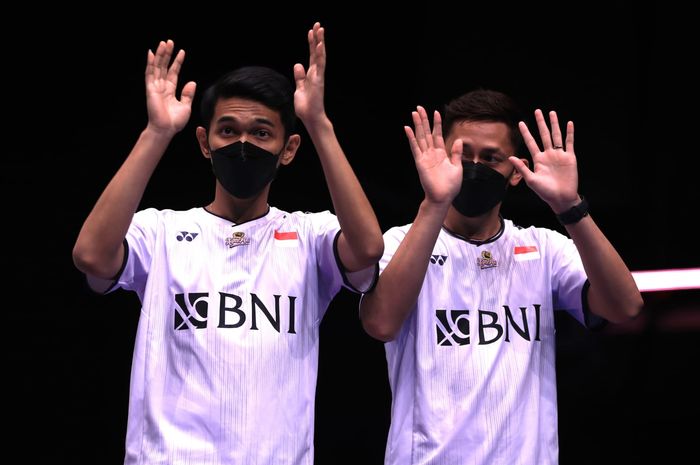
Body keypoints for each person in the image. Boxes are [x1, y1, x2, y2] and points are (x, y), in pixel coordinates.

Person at [72, 22, 383, 464]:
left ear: (288, 148)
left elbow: (368, 249)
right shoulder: (159, 232)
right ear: (204, 142)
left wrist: (318, 123)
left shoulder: (311, 236)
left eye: (261, 133)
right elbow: (91, 256)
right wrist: (157, 132)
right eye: (227, 130)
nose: (242, 143)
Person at [359, 89, 643, 465]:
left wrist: (570, 207)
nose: (474, 167)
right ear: (442, 158)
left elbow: (625, 306)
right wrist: (435, 202)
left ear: (514, 170)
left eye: (490, 158)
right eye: (462, 154)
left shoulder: (543, 249)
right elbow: (379, 323)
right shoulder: (399, 242)